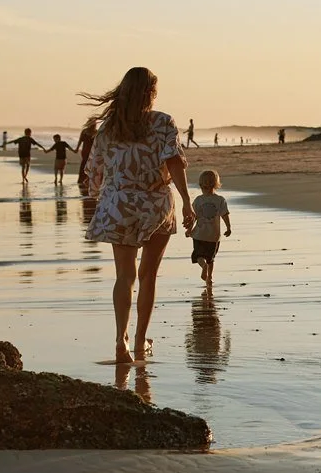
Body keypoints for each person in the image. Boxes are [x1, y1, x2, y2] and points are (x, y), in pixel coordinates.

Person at [83, 67, 193, 367]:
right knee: (148, 275)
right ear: (151, 93)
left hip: (118, 204)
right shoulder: (162, 122)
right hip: (154, 204)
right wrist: (186, 200)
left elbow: (94, 172)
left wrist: (102, 196)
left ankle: (121, 340)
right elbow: (174, 161)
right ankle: (142, 338)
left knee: (124, 276)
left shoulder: (109, 128)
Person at [187, 169, 232, 287]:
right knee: (210, 258)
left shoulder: (198, 200)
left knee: (198, 255)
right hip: (214, 236)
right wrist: (228, 227)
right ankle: (209, 278)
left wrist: (189, 229)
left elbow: (193, 217)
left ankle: (203, 267)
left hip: (199, 235)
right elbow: (225, 215)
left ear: (200, 185)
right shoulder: (220, 200)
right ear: (216, 184)